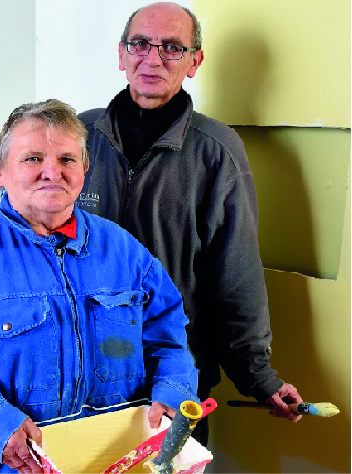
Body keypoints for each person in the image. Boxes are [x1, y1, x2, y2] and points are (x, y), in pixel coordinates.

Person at [0, 99, 199, 473]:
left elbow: (168, 337)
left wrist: (173, 390)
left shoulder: (126, 253)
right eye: (33, 158)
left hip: (116, 461)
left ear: (85, 167)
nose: (53, 172)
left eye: (67, 159)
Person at [76, 2, 303, 444]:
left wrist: (258, 377)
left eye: (172, 47)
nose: (153, 58)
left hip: (172, 381)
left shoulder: (217, 150)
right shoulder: (77, 137)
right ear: (121, 54)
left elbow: (236, 275)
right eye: (140, 44)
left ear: (195, 61)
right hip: (79, 378)